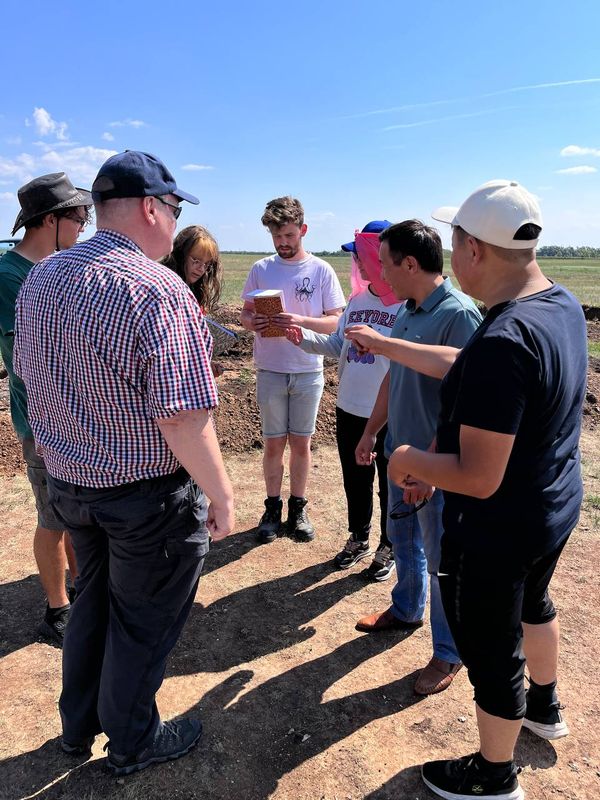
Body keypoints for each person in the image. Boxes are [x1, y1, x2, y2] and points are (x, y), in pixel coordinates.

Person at [14, 151, 235, 776]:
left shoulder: (43, 278)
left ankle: (77, 726)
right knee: (140, 622)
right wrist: (221, 494)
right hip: (146, 497)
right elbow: (183, 416)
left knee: (92, 604)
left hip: (72, 485)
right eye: (174, 209)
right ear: (151, 208)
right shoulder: (156, 289)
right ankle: (133, 739)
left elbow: (29, 377)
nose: (175, 223)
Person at [384, 181, 586, 800]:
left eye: (455, 244)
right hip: (553, 505)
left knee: (494, 650)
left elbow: (478, 476)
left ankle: (494, 775)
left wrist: (408, 459)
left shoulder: (504, 339)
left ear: (473, 249)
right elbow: (470, 366)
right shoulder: (557, 305)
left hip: (501, 527)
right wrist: (391, 346)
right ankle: (545, 707)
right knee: (535, 605)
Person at [346, 219, 482, 696]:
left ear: (409, 264)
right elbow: (393, 376)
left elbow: (467, 401)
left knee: (443, 564)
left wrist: (431, 467)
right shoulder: (408, 309)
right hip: (399, 457)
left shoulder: (459, 315)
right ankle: (405, 609)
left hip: (436, 468)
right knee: (404, 541)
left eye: (385, 264)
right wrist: (371, 432)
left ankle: (449, 652)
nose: (380, 273)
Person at [0, 172, 93, 644]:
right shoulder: (9, 277)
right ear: (51, 220)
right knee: (52, 517)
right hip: (41, 420)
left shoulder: (54, 268)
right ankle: (57, 611)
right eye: (78, 218)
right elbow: (29, 356)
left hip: (69, 415)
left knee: (74, 511)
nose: (82, 228)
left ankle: (80, 586)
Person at [285, 220, 400, 580]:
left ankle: (389, 544)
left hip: (388, 412)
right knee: (355, 478)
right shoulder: (357, 301)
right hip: (350, 407)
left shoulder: (406, 306)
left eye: (361, 255)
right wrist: (302, 338)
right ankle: (359, 537)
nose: (357, 263)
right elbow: (338, 345)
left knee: (390, 483)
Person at [241, 196, 345, 543]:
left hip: (307, 370)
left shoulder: (321, 270)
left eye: (288, 235)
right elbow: (245, 314)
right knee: (273, 445)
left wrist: (299, 320)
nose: (282, 242)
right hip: (270, 369)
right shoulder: (261, 268)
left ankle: (298, 509)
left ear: (303, 230)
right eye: (276, 236)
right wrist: (253, 322)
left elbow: (335, 322)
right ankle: (272, 508)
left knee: (301, 444)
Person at [161, 224, 226, 376]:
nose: (201, 269)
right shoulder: (166, 292)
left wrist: (206, 365)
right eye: (196, 260)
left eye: (207, 264)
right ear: (180, 254)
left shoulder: (196, 293)